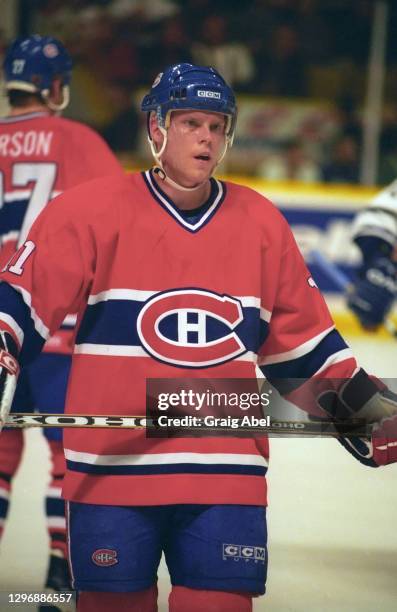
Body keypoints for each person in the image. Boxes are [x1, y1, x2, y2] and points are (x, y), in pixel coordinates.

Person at [0, 62, 396, 612]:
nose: (206, 137)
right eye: (190, 122)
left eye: (216, 125)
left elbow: (301, 346)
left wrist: (365, 413)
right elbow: (21, 300)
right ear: (156, 129)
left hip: (224, 474)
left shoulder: (261, 222)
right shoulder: (87, 213)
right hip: (111, 474)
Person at [0, 34, 123, 607]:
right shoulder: (81, 141)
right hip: (56, 326)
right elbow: (113, 228)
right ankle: (59, 575)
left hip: (2, 325)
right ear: (55, 88)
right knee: (65, 454)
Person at [347, 179, 397, 329]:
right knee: (384, 277)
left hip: (367, 222)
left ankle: (366, 305)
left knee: (375, 276)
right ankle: (368, 311)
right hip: (386, 225)